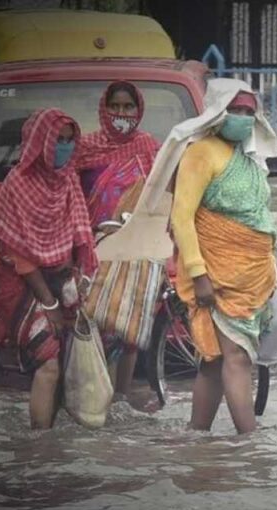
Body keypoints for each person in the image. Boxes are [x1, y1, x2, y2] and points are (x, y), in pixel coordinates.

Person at [169, 82, 277, 435]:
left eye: (250, 112)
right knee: (237, 358)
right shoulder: (201, 152)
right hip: (217, 275)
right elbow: (182, 217)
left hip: (252, 276)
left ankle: (196, 435)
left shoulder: (249, 158)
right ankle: (250, 443)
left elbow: (257, 214)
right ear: (218, 114)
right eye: (237, 111)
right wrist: (198, 274)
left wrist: (270, 269)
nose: (244, 119)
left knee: (215, 363)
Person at [0, 108, 98, 429]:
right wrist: (50, 304)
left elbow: (77, 237)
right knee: (49, 365)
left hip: (58, 278)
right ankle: (40, 449)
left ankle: (52, 434)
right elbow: (20, 256)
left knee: (68, 360)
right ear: (40, 142)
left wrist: (75, 283)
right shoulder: (17, 184)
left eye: (69, 140)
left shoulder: (67, 180)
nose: (63, 147)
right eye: (57, 140)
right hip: (23, 285)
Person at [76, 80, 161, 408]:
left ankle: (121, 398)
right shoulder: (87, 147)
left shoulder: (148, 146)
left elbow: (157, 193)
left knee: (128, 327)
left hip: (134, 245)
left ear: (138, 111)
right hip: (94, 245)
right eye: (116, 107)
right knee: (95, 324)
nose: (121, 113)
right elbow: (72, 193)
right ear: (104, 108)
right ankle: (94, 397)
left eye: (128, 107)